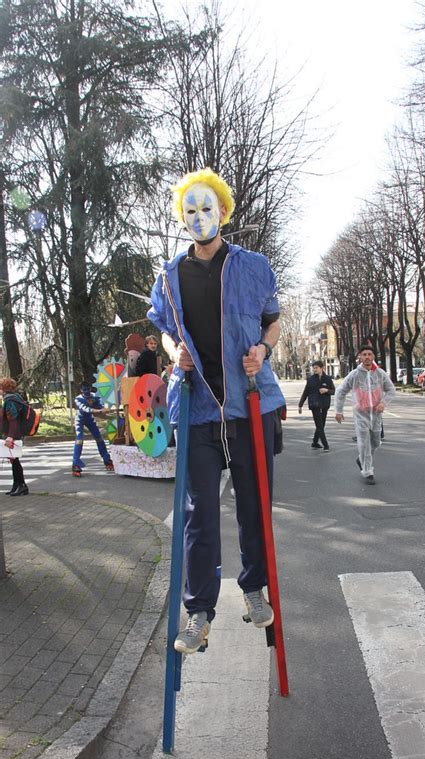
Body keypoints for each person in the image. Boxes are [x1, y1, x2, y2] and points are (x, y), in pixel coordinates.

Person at [148, 167, 285, 654]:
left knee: (254, 505)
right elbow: (164, 327)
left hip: (251, 406)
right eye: (190, 210)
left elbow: (272, 322)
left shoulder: (255, 266)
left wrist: (263, 351)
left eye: (207, 208)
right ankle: (198, 611)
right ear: (181, 216)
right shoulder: (168, 276)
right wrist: (172, 351)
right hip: (198, 408)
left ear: (223, 212)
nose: (199, 217)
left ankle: (254, 589)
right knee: (198, 514)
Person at [335, 346, 396, 485]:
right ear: (360, 357)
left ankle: (361, 459)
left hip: (376, 414)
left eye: (369, 354)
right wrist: (339, 411)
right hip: (360, 414)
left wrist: (383, 403)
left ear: (373, 356)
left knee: (375, 441)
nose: (367, 357)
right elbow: (340, 391)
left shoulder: (380, 374)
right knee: (364, 443)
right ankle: (367, 471)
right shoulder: (354, 374)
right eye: (364, 354)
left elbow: (391, 390)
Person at [72, 382, 114, 476]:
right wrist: (99, 410)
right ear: (81, 390)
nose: (86, 391)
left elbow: (100, 404)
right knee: (79, 440)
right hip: (80, 420)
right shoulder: (78, 399)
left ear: (90, 388)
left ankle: (107, 460)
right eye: (84, 390)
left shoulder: (95, 396)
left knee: (99, 438)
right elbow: (86, 409)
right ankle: (75, 464)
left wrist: (104, 409)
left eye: (88, 389)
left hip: (90, 419)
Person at [0, 377, 29, 496]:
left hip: (14, 434)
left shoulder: (10, 400)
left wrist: (10, 437)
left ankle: (22, 485)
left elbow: (13, 419)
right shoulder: (15, 397)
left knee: (15, 460)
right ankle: (16, 485)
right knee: (13, 459)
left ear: (3, 388)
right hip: (15, 433)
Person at [298, 360, 335, 450]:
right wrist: (300, 405)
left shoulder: (328, 379)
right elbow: (305, 392)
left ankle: (315, 442)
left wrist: (326, 390)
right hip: (314, 404)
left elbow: (333, 391)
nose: (314, 369)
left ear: (322, 368)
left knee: (322, 424)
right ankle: (325, 445)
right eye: (313, 368)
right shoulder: (310, 379)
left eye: (316, 368)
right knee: (319, 425)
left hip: (325, 404)